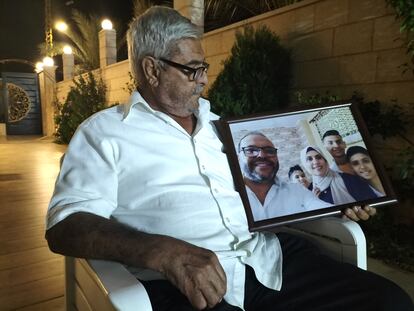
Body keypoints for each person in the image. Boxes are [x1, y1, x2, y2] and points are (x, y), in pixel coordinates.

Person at [45, 6, 414, 311]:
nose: (203, 80)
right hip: (177, 285)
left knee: (389, 302)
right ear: (151, 69)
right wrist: (161, 251)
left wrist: (334, 201)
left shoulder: (222, 128)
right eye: (192, 69)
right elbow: (65, 225)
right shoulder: (105, 133)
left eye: (204, 68)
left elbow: (277, 191)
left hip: (267, 261)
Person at [238, 132, 331, 220]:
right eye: (250, 150)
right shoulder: (229, 195)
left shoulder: (298, 190)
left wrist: (342, 211)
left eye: (269, 151)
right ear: (238, 158)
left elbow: (321, 207)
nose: (262, 155)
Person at [300, 145, 378, 205]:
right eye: (309, 159)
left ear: (325, 161)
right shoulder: (310, 192)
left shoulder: (349, 180)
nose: (315, 162)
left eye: (318, 157)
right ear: (305, 165)